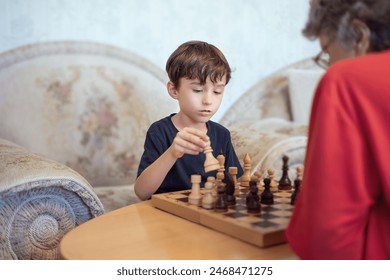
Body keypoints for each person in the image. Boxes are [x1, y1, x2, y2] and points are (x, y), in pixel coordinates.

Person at [286, 0, 390, 259]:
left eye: (326, 52)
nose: (329, 65)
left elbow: (327, 237)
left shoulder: (347, 80)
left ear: (359, 36)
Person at [134, 41, 243, 201]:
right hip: (167, 214)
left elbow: (235, 182)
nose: (208, 100)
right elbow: (141, 192)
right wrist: (172, 153)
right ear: (174, 90)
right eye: (198, 90)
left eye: (217, 91)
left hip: (207, 211)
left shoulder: (221, 135)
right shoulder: (159, 131)